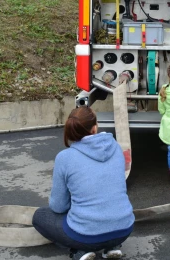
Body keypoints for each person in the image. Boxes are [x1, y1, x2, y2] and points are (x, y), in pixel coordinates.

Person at [32, 107, 134, 260]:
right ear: (94, 128)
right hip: (124, 229)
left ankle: (79, 250)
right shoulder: (116, 147)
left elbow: (58, 206)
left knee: (39, 217)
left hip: (87, 235)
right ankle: (111, 247)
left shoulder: (65, 158)